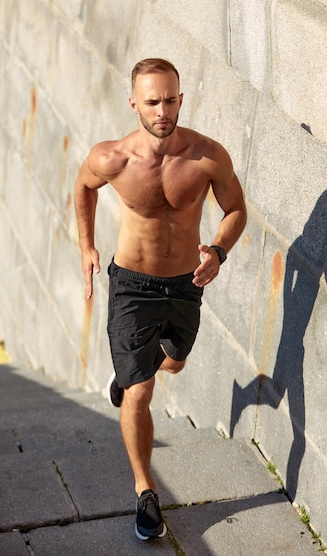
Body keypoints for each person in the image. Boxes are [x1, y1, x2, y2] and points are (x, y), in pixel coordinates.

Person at [74, 58, 247, 541]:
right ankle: (146, 492)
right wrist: (86, 244)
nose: (162, 110)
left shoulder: (207, 156)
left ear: (181, 99)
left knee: (174, 363)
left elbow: (236, 209)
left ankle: (143, 364)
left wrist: (217, 249)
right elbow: (83, 189)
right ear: (134, 104)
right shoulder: (113, 158)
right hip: (132, 285)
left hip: (186, 283)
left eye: (170, 99)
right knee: (142, 390)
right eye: (152, 101)